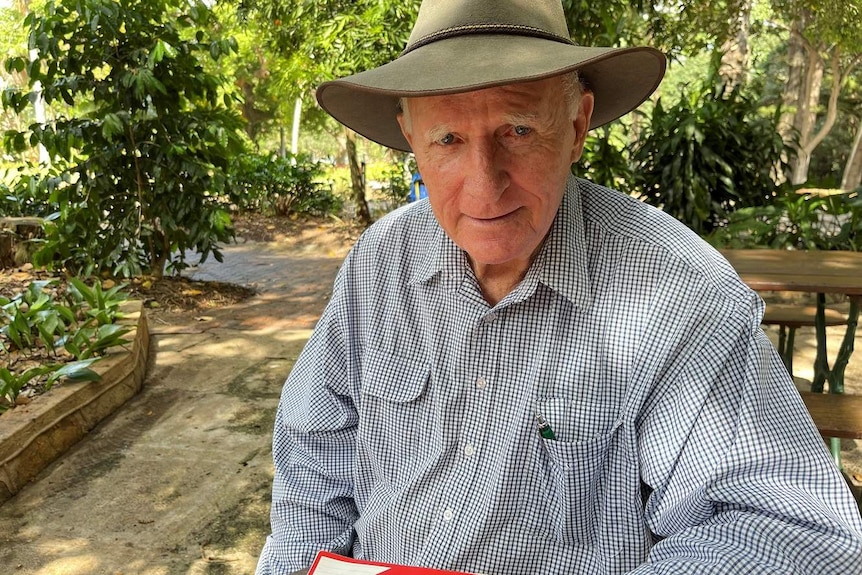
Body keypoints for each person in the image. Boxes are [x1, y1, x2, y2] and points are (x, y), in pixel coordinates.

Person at [256, 1, 862, 573]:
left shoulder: (678, 290)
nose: (483, 188)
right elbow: (314, 461)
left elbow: (793, 531)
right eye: (447, 140)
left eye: (517, 131)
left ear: (577, 126)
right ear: (412, 141)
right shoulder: (379, 264)